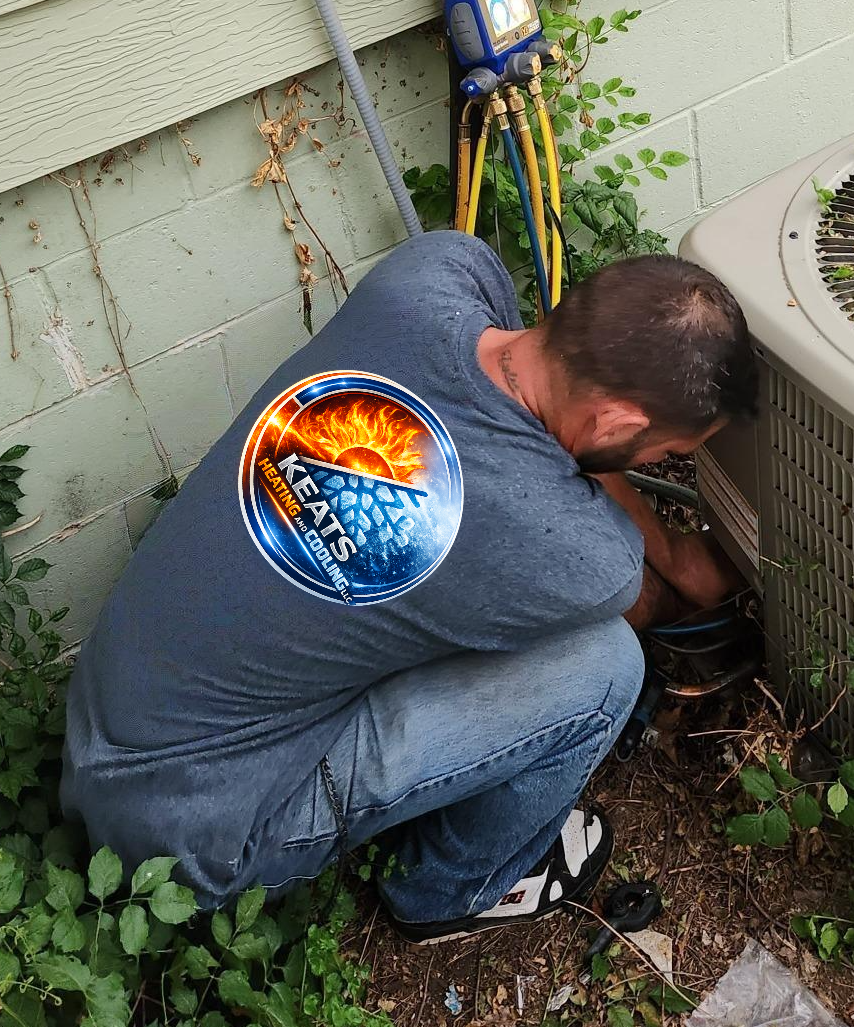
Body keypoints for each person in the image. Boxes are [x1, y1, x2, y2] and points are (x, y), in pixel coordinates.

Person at [61, 230, 757, 941]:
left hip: (104, 721)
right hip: (197, 844)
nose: (661, 462)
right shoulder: (578, 556)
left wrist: (666, 541)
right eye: (667, 452)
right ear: (616, 422)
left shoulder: (433, 275)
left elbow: (556, 426)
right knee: (605, 667)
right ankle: (447, 891)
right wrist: (680, 563)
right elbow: (627, 584)